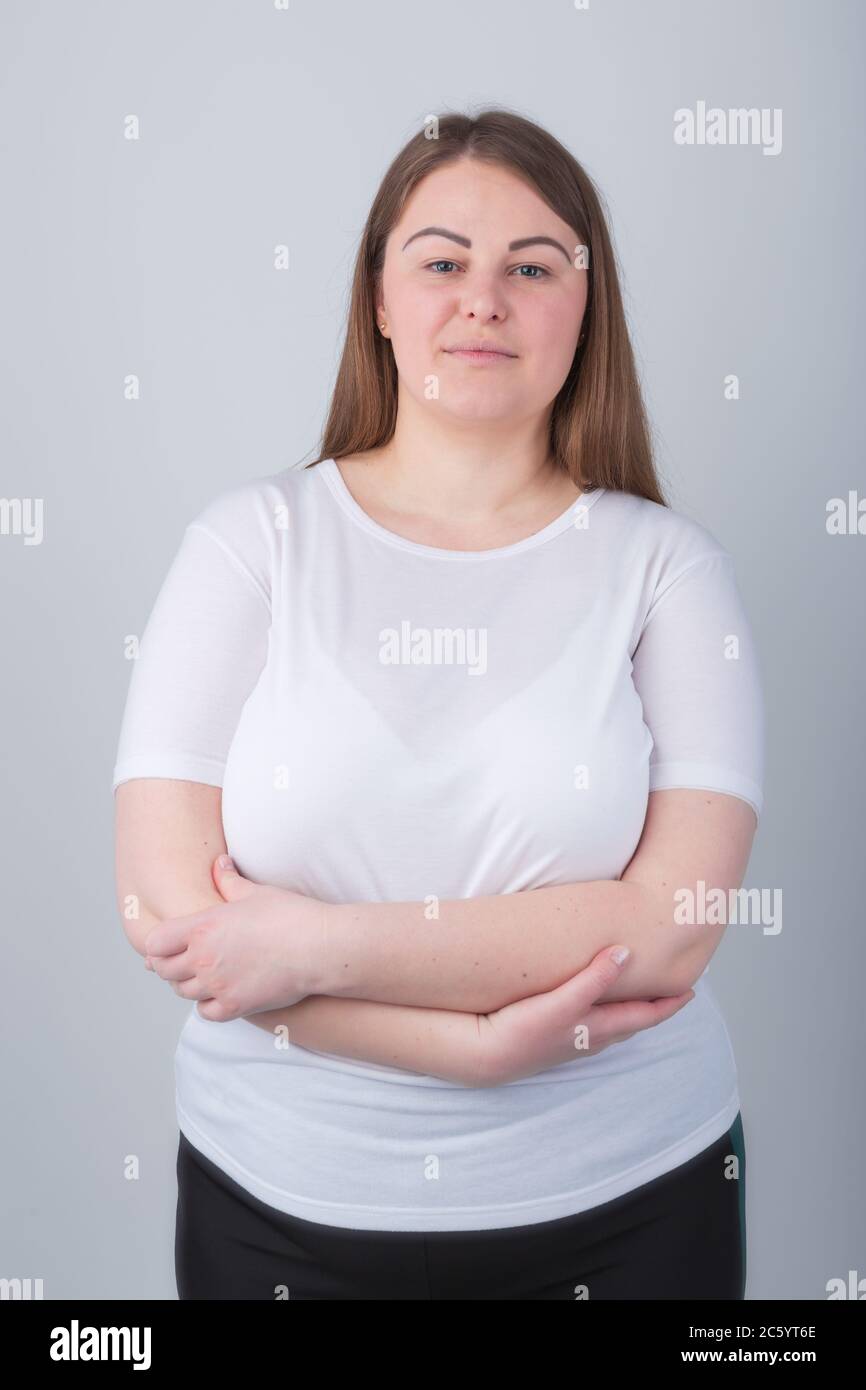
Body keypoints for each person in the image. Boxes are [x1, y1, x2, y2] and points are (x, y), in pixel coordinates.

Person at [112, 108, 763, 1300]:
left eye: (531, 265)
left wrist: (311, 945)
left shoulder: (668, 568)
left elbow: (674, 922)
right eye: (441, 260)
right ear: (377, 297)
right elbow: (167, 909)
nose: (483, 298)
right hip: (278, 1205)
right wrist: (459, 1047)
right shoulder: (251, 543)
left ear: (585, 301)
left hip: (631, 1201)